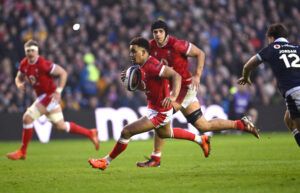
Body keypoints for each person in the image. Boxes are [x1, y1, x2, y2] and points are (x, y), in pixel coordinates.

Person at [136, 20, 260, 167]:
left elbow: (200, 53)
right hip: (171, 90)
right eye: (155, 32)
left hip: (184, 88)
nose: (157, 35)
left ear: (166, 32)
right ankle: (240, 124)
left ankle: (157, 157)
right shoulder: (150, 47)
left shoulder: (177, 45)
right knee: (204, 126)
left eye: (160, 31)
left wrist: (198, 75)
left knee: (161, 116)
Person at [88, 37, 211, 170]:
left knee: (126, 131)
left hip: (160, 112)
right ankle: (201, 140)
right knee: (165, 133)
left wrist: (173, 96)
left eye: (134, 51)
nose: (131, 55)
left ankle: (105, 162)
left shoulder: (153, 65)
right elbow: (145, 86)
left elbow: (175, 76)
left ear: (144, 52)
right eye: (130, 52)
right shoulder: (141, 66)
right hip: (153, 108)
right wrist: (132, 83)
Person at [6, 40, 99, 160]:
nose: (30, 53)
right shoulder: (24, 64)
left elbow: (63, 73)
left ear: (37, 51)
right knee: (60, 126)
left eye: (32, 50)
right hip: (42, 97)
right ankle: (90, 133)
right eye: (28, 51)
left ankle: (22, 152)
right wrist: (19, 84)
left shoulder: (43, 64)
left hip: (50, 96)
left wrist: (58, 91)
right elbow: (18, 77)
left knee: (27, 118)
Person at [238, 23, 300, 147]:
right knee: (288, 119)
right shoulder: (297, 47)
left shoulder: (272, 48)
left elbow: (247, 65)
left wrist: (246, 77)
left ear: (271, 37)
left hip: (294, 92)